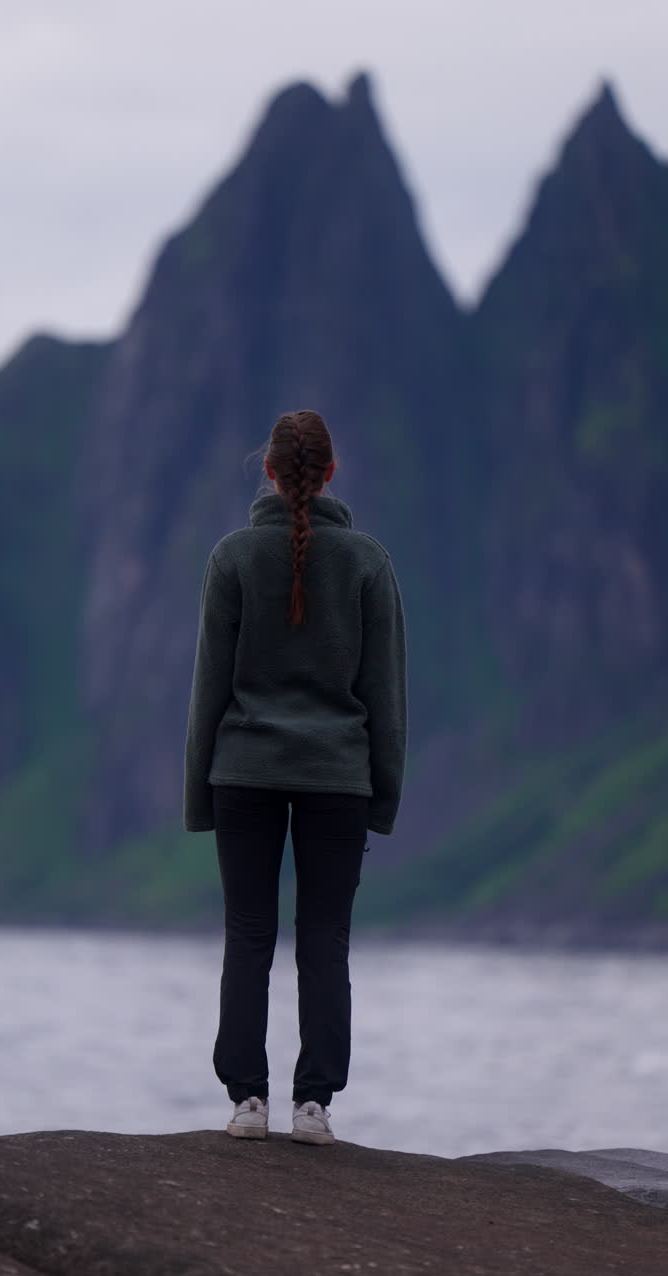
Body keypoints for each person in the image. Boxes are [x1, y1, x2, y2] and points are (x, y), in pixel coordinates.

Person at [183, 409, 407, 1144]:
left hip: (241, 771)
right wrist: (382, 795)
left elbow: (208, 690)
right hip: (338, 777)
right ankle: (314, 1107)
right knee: (325, 939)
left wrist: (198, 793)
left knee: (247, 935)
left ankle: (247, 1102)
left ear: (270, 472)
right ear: (331, 473)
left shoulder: (234, 557)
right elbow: (385, 695)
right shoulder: (369, 562)